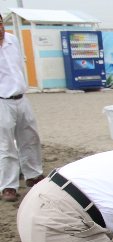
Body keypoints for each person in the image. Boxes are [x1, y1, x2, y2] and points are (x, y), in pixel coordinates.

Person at [0, 12, 44, 202]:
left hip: (21, 96)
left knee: (30, 136)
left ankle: (33, 174)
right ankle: (8, 186)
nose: (0, 28)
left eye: (0, 23)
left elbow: (18, 66)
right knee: (6, 145)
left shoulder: (12, 40)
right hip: (2, 100)